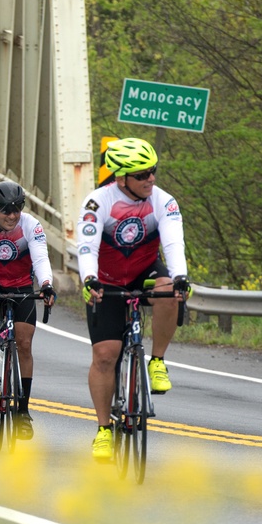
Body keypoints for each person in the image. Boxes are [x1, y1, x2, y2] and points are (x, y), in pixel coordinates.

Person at [78, 138, 189, 461]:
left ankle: (157, 361)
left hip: (143, 270)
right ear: (121, 177)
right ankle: (103, 430)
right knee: (105, 356)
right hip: (106, 278)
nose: (150, 179)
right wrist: (89, 279)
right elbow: (87, 248)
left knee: (169, 290)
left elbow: (173, 242)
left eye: (153, 171)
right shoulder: (98, 203)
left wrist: (180, 275)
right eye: (141, 174)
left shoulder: (163, 201)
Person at [0, 180, 55, 440]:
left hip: (20, 284)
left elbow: (40, 257)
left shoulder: (30, 226)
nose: (12, 216)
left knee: (24, 345)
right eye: (6, 210)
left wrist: (46, 284)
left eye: (17, 209)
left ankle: (23, 412)